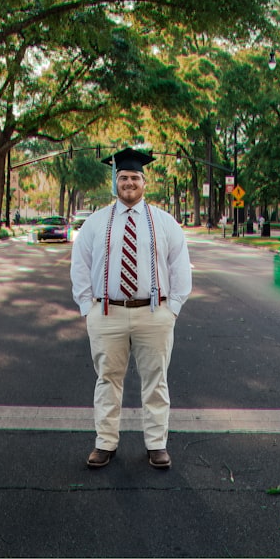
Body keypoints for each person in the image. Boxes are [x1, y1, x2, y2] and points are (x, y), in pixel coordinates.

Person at [70, 148, 192, 470]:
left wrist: (173, 308)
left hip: (153, 313)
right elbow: (80, 266)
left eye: (134, 178)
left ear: (144, 182)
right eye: (123, 177)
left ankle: (156, 444)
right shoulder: (95, 223)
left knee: (156, 379)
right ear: (115, 181)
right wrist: (87, 308)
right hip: (107, 313)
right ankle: (105, 442)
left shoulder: (164, 222)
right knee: (107, 379)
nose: (128, 183)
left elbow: (180, 266)